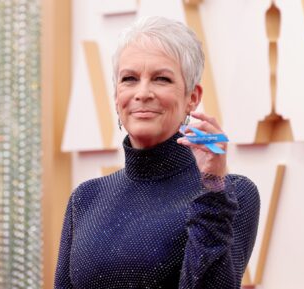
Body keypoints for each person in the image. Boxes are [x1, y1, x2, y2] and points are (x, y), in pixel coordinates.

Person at [55, 16, 260, 289]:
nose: (143, 93)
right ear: (116, 96)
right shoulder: (85, 198)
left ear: (192, 98)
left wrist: (212, 186)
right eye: (129, 79)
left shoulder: (231, 193)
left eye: (161, 79)